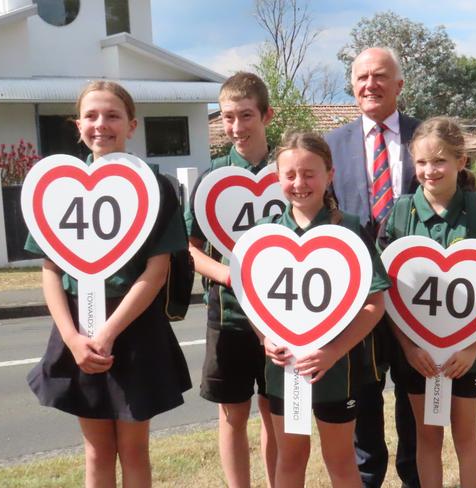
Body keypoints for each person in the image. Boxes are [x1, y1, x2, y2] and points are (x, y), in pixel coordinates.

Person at [25, 80, 191, 487]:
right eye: (91, 115)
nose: (102, 124)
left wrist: (109, 333)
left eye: (113, 115)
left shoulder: (157, 186)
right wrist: (74, 339)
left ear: (132, 125)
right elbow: (50, 270)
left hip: (134, 328)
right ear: (77, 124)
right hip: (77, 331)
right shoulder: (57, 185)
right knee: (97, 451)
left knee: (134, 449)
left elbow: (157, 272)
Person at [377, 116, 476, 488]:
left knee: (465, 436)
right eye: (421, 163)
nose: (429, 170)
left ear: (461, 161)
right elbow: (385, 290)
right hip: (416, 354)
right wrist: (408, 347)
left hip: (464, 355)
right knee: (427, 437)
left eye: (439, 161)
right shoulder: (400, 213)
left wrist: (471, 348)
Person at [257, 131, 390, 488]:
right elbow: (254, 303)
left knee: (342, 463)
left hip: (337, 371)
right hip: (283, 370)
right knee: (290, 459)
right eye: (290, 174)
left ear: (330, 174)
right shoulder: (266, 233)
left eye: (309, 173)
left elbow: (375, 304)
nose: (299, 183)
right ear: (277, 178)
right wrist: (265, 338)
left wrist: (332, 352)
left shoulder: (348, 227)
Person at [324, 46, 420, 488]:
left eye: (380, 76)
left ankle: (415, 473)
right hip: (357, 296)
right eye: (361, 77)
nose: (370, 85)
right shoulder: (331, 146)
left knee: (413, 387)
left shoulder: (426, 140)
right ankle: (368, 477)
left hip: (416, 292)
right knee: (362, 392)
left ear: (399, 85)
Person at [184, 71, 277, 488]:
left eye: (245, 116)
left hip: (283, 318)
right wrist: (228, 274)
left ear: (266, 115)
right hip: (229, 315)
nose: (236, 127)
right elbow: (189, 248)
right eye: (227, 117)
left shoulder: (289, 170)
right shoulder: (212, 177)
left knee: (276, 415)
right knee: (232, 414)